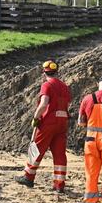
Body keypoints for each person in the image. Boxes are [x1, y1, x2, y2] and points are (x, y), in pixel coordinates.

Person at [15, 60, 72, 192]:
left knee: (37, 148)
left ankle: (28, 177)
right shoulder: (64, 86)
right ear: (57, 72)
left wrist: (35, 118)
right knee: (59, 153)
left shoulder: (47, 85)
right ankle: (59, 184)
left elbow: (44, 104)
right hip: (62, 123)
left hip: (48, 122)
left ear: (44, 72)